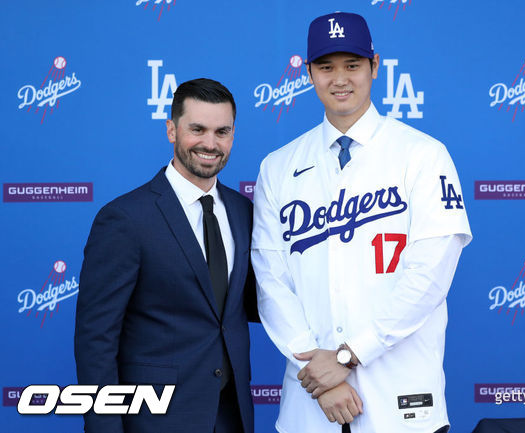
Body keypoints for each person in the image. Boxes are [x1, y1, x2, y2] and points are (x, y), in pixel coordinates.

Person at [252, 12, 472, 433]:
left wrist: (348, 356)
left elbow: (429, 275)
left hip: (403, 402)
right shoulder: (278, 166)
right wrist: (319, 372)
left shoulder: (423, 155)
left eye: (352, 65)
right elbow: (271, 280)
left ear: (374, 66)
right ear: (309, 72)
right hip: (310, 405)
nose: (340, 79)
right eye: (326, 67)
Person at [75, 78, 258, 433]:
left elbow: (255, 303)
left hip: (232, 417)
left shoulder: (243, 211)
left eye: (222, 131)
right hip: (156, 420)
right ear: (171, 130)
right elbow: (96, 339)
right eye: (197, 129)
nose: (210, 143)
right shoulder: (125, 219)